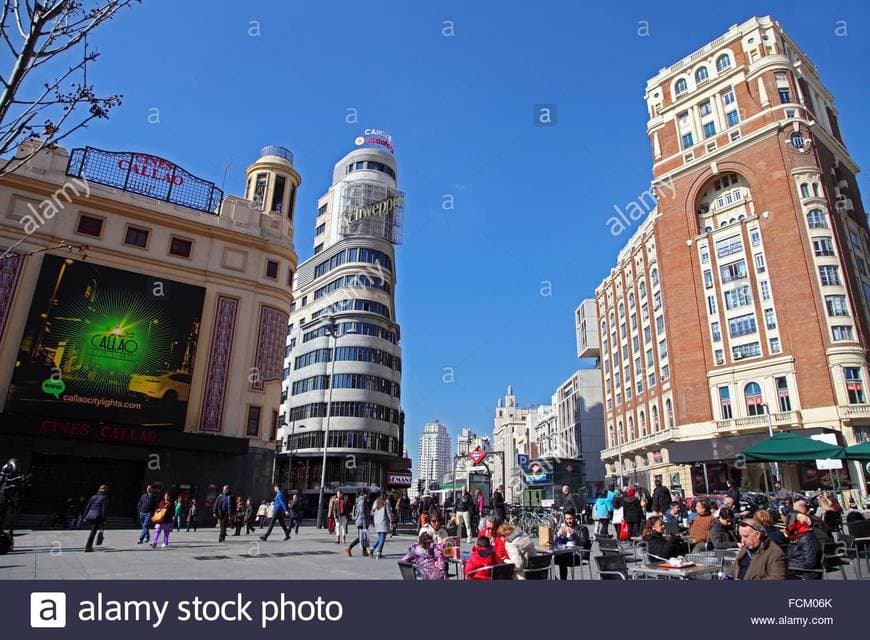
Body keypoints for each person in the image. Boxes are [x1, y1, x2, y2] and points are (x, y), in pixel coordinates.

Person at [553, 511, 589, 580]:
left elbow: (583, 544)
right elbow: (556, 544)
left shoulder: (582, 529)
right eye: (567, 519)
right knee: (547, 559)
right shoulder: (563, 528)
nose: (568, 521)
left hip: (577, 556)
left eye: (570, 518)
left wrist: (574, 534)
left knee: (562, 559)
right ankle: (554, 578)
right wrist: (559, 535)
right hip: (564, 553)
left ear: (575, 517)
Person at [786, 512, 821, 579]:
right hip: (795, 570)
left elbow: (809, 562)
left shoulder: (806, 538)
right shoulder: (799, 536)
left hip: (804, 574)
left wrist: (786, 564)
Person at [83, 484, 108, 552]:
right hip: (97, 516)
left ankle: (89, 546)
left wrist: (84, 516)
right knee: (93, 532)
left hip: (90, 515)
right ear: (105, 490)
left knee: (93, 531)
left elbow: (88, 506)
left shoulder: (93, 497)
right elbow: (103, 509)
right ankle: (88, 547)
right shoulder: (104, 497)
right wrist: (104, 519)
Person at [346, 489, 370, 557]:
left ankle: (364, 551)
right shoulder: (362, 501)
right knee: (360, 537)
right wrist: (365, 524)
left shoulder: (362, 501)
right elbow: (362, 513)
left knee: (363, 537)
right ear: (364, 494)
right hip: (361, 522)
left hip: (361, 521)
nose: (368, 495)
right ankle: (349, 548)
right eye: (367, 494)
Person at [370, 494, 392, 559]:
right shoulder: (386, 502)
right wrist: (391, 520)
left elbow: (372, 511)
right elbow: (389, 512)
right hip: (383, 521)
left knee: (380, 537)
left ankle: (372, 548)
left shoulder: (376, 501)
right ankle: (379, 553)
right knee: (382, 538)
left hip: (377, 521)